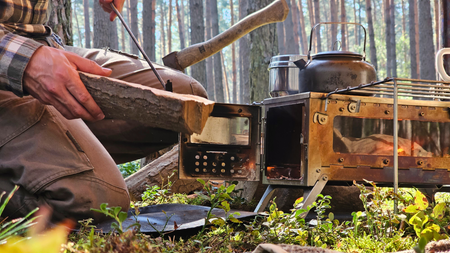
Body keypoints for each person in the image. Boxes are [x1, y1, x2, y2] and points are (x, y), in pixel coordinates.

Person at [0, 0, 207, 223]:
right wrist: (27, 61)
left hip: (45, 45)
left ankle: (61, 156)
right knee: (98, 202)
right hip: (11, 56)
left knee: (185, 101)